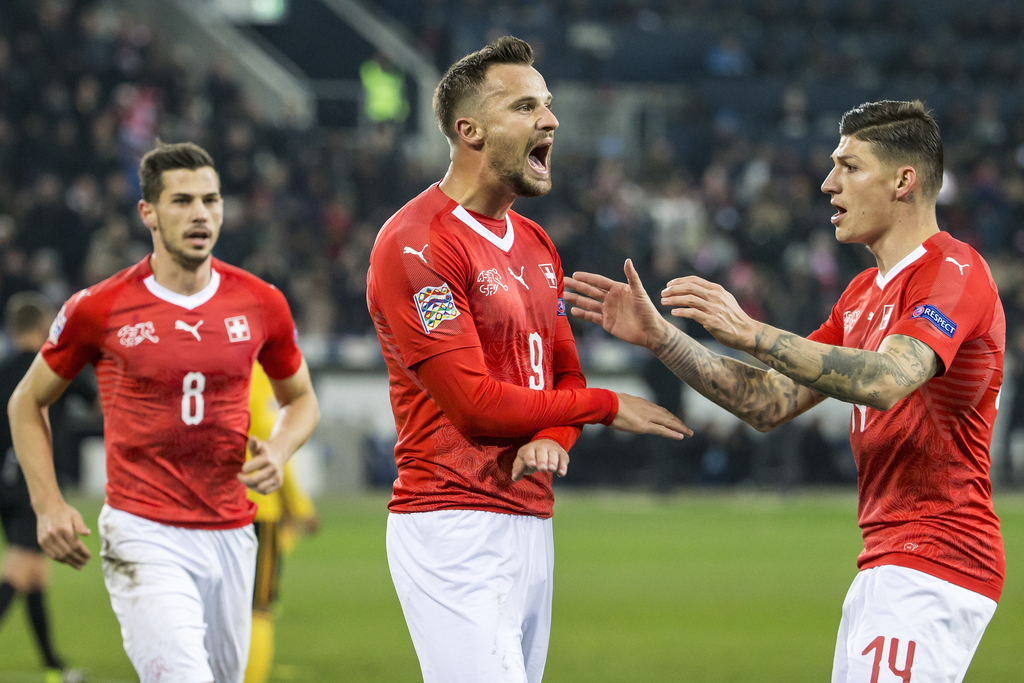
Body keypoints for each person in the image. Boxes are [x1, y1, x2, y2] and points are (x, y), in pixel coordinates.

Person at [566, 100, 1004, 682]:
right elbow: (769, 401)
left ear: (905, 180)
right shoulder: (860, 295)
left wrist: (750, 330)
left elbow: (887, 379)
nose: (828, 184)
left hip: (938, 559)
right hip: (887, 560)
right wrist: (662, 339)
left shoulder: (954, 269)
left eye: (849, 166)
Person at [366, 36, 691, 683]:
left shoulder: (539, 244)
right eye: (526, 107)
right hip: (451, 522)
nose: (551, 120)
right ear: (470, 131)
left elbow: (564, 375)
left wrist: (555, 431)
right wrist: (602, 408)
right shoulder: (417, 243)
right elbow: (475, 406)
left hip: (531, 519)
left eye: (548, 105)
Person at [7, 141, 320, 683]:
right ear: (147, 212)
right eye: (181, 201)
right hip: (142, 530)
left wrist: (280, 447)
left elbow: (302, 400)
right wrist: (48, 504)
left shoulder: (261, 302)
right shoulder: (97, 308)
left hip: (231, 531)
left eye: (211, 200)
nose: (200, 213)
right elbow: (26, 402)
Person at [0, 293, 86, 683]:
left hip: (6, 484)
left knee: (35, 576)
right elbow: (91, 394)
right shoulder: (48, 366)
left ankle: (54, 665)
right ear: (42, 327)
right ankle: (56, 665)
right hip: (29, 482)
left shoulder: (3, 369)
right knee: (19, 570)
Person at [244, 362, 319, 683]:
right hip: (257, 508)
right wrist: (300, 507)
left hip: (202, 509)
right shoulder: (261, 377)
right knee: (258, 607)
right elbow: (274, 453)